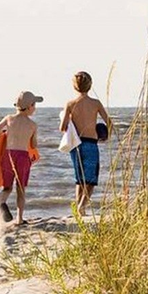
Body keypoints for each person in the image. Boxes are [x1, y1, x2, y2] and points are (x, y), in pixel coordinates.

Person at [61, 71, 111, 217]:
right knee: (91, 179)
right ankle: (82, 206)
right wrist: (105, 136)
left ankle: (78, 207)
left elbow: (62, 127)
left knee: (80, 178)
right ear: (90, 85)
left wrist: (70, 121)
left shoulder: (70, 104)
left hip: (76, 145)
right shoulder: (95, 103)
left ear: (74, 87)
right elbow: (109, 122)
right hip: (91, 143)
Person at [0, 91, 42, 225]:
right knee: (21, 189)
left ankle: (2, 203)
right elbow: (34, 144)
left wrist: (5, 134)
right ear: (30, 106)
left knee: (7, 187)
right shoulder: (32, 125)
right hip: (23, 157)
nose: (35, 108)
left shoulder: (9, 119)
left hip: (8, 156)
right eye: (34, 105)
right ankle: (19, 219)